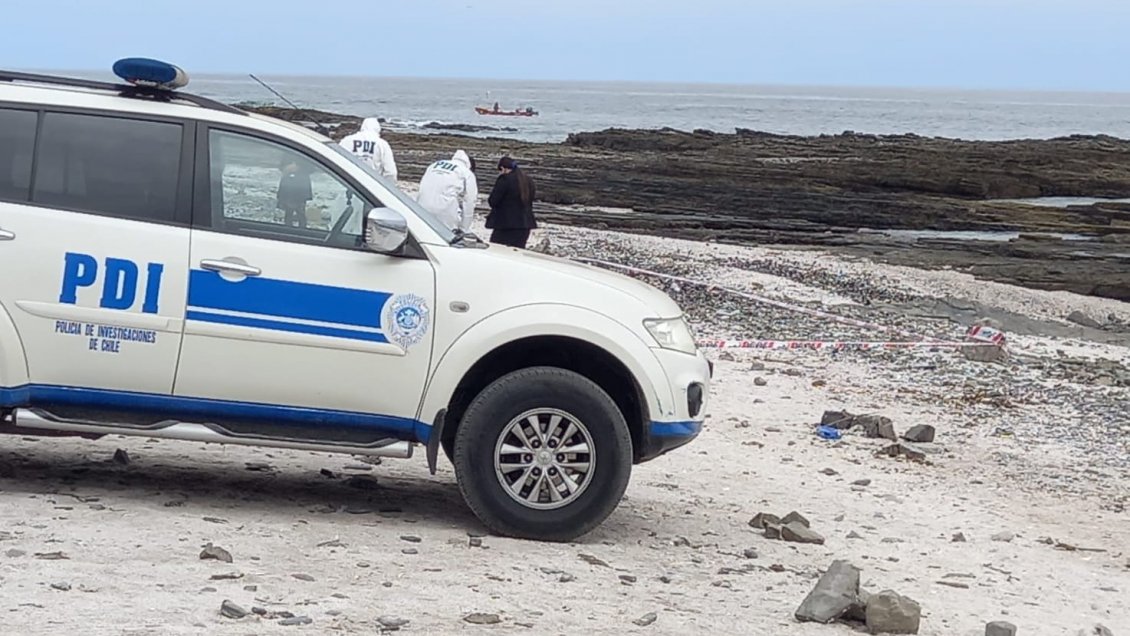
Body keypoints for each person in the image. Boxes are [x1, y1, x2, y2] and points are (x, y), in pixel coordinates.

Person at [416, 150, 479, 232]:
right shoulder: (467, 173)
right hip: (445, 213)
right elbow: (470, 201)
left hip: (421, 208)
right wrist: (464, 228)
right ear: (470, 167)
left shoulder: (434, 165)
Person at [486, 156, 536, 248]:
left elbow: (493, 201)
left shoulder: (504, 179)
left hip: (505, 225)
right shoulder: (528, 180)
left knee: (496, 251)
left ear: (502, 168)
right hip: (525, 225)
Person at [277, 158, 312, 228]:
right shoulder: (288, 154)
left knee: (300, 213)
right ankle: (288, 231)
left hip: (301, 188)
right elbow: (282, 165)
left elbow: (311, 168)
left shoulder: (306, 154)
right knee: (289, 213)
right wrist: (287, 168)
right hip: (288, 187)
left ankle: (302, 232)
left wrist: (300, 167)